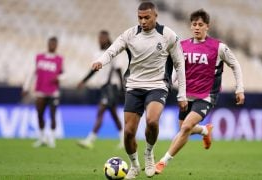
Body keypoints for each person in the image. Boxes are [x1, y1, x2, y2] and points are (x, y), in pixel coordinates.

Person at [91, 2, 187, 179]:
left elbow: (180, 64)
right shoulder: (130, 34)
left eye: (147, 17)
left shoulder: (168, 35)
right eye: (140, 18)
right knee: (128, 133)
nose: (143, 21)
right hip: (134, 85)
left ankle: (149, 153)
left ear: (155, 16)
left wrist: (182, 94)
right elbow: (112, 50)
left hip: (157, 85)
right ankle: (134, 166)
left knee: (152, 121)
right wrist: (100, 61)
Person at [155, 9, 245, 174]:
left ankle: (163, 161)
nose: (197, 27)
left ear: (207, 27)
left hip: (206, 95)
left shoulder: (219, 47)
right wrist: (168, 84)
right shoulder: (182, 46)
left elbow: (235, 65)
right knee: (184, 127)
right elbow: (178, 69)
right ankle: (205, 130)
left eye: (200, 24)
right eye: (194, 24)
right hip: (186, 95)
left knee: (186, 127)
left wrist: (239, 88)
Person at [77, 30, 125, 149]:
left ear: (107, 38)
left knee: (101, 111)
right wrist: (84, 81)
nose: (101, 40)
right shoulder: (97, 53)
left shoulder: (112, 52)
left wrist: (122, 88)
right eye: (99, 38)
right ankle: (124, 139)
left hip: (111, 87)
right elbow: (94, 70)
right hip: (104, 87)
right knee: (114, 114)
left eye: (103, 38)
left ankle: (90, 139)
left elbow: (118, 69)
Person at [22, 37, 64, 148]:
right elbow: (32, 73)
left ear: (57, 45)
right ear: (48, 44)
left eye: (54, 44)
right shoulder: (39, 58)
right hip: (40, 91)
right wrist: (26, 87)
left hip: (53, 91)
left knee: (53, 115)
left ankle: (52, 139)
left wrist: (59, 78)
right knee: (40, 114)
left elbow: (65, 74)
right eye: (51, 43)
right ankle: (41, 138)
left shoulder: (59, 59)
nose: (52, 46)